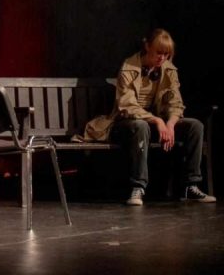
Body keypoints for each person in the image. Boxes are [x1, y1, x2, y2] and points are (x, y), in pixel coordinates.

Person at [84, 28, 216, 206]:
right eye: (159, 52)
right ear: (147, 46)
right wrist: (157, 121)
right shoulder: (129, 67)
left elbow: (175, 103)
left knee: (195, 126)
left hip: (154, 126)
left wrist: (170, 124)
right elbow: (127, 106)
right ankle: (138, 187)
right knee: (141, 125)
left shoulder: (168, 69)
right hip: (126, 124)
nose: (162, 58)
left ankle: (191, 185)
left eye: (166, 54)